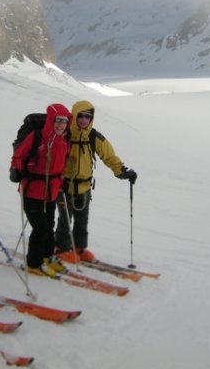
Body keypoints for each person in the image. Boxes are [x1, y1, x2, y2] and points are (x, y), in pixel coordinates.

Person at [55, 100, 137, 263]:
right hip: (64, 187)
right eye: (81, 116)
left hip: (85, 187)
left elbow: (109, 156)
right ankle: (61, 248)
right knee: (65, 219)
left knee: (82, 220)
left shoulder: (93, 136)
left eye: (88, 116)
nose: (84, 119)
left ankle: (79, 248)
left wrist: (122, 172)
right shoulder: (65, 134)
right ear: (75, 115)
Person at [9, 103, 71, 277]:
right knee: (41, 228)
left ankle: (47, 256)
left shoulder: (63, 141)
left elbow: (61, 164)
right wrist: (16, 170)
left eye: (64, 122)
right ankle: (34, 264)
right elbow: (19, 156)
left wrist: (62, 180)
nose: (60, 125)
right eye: (57, 121)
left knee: (49, 225)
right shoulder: (36, 137)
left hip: (51, 192)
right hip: (32, 191)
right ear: (50, 120)